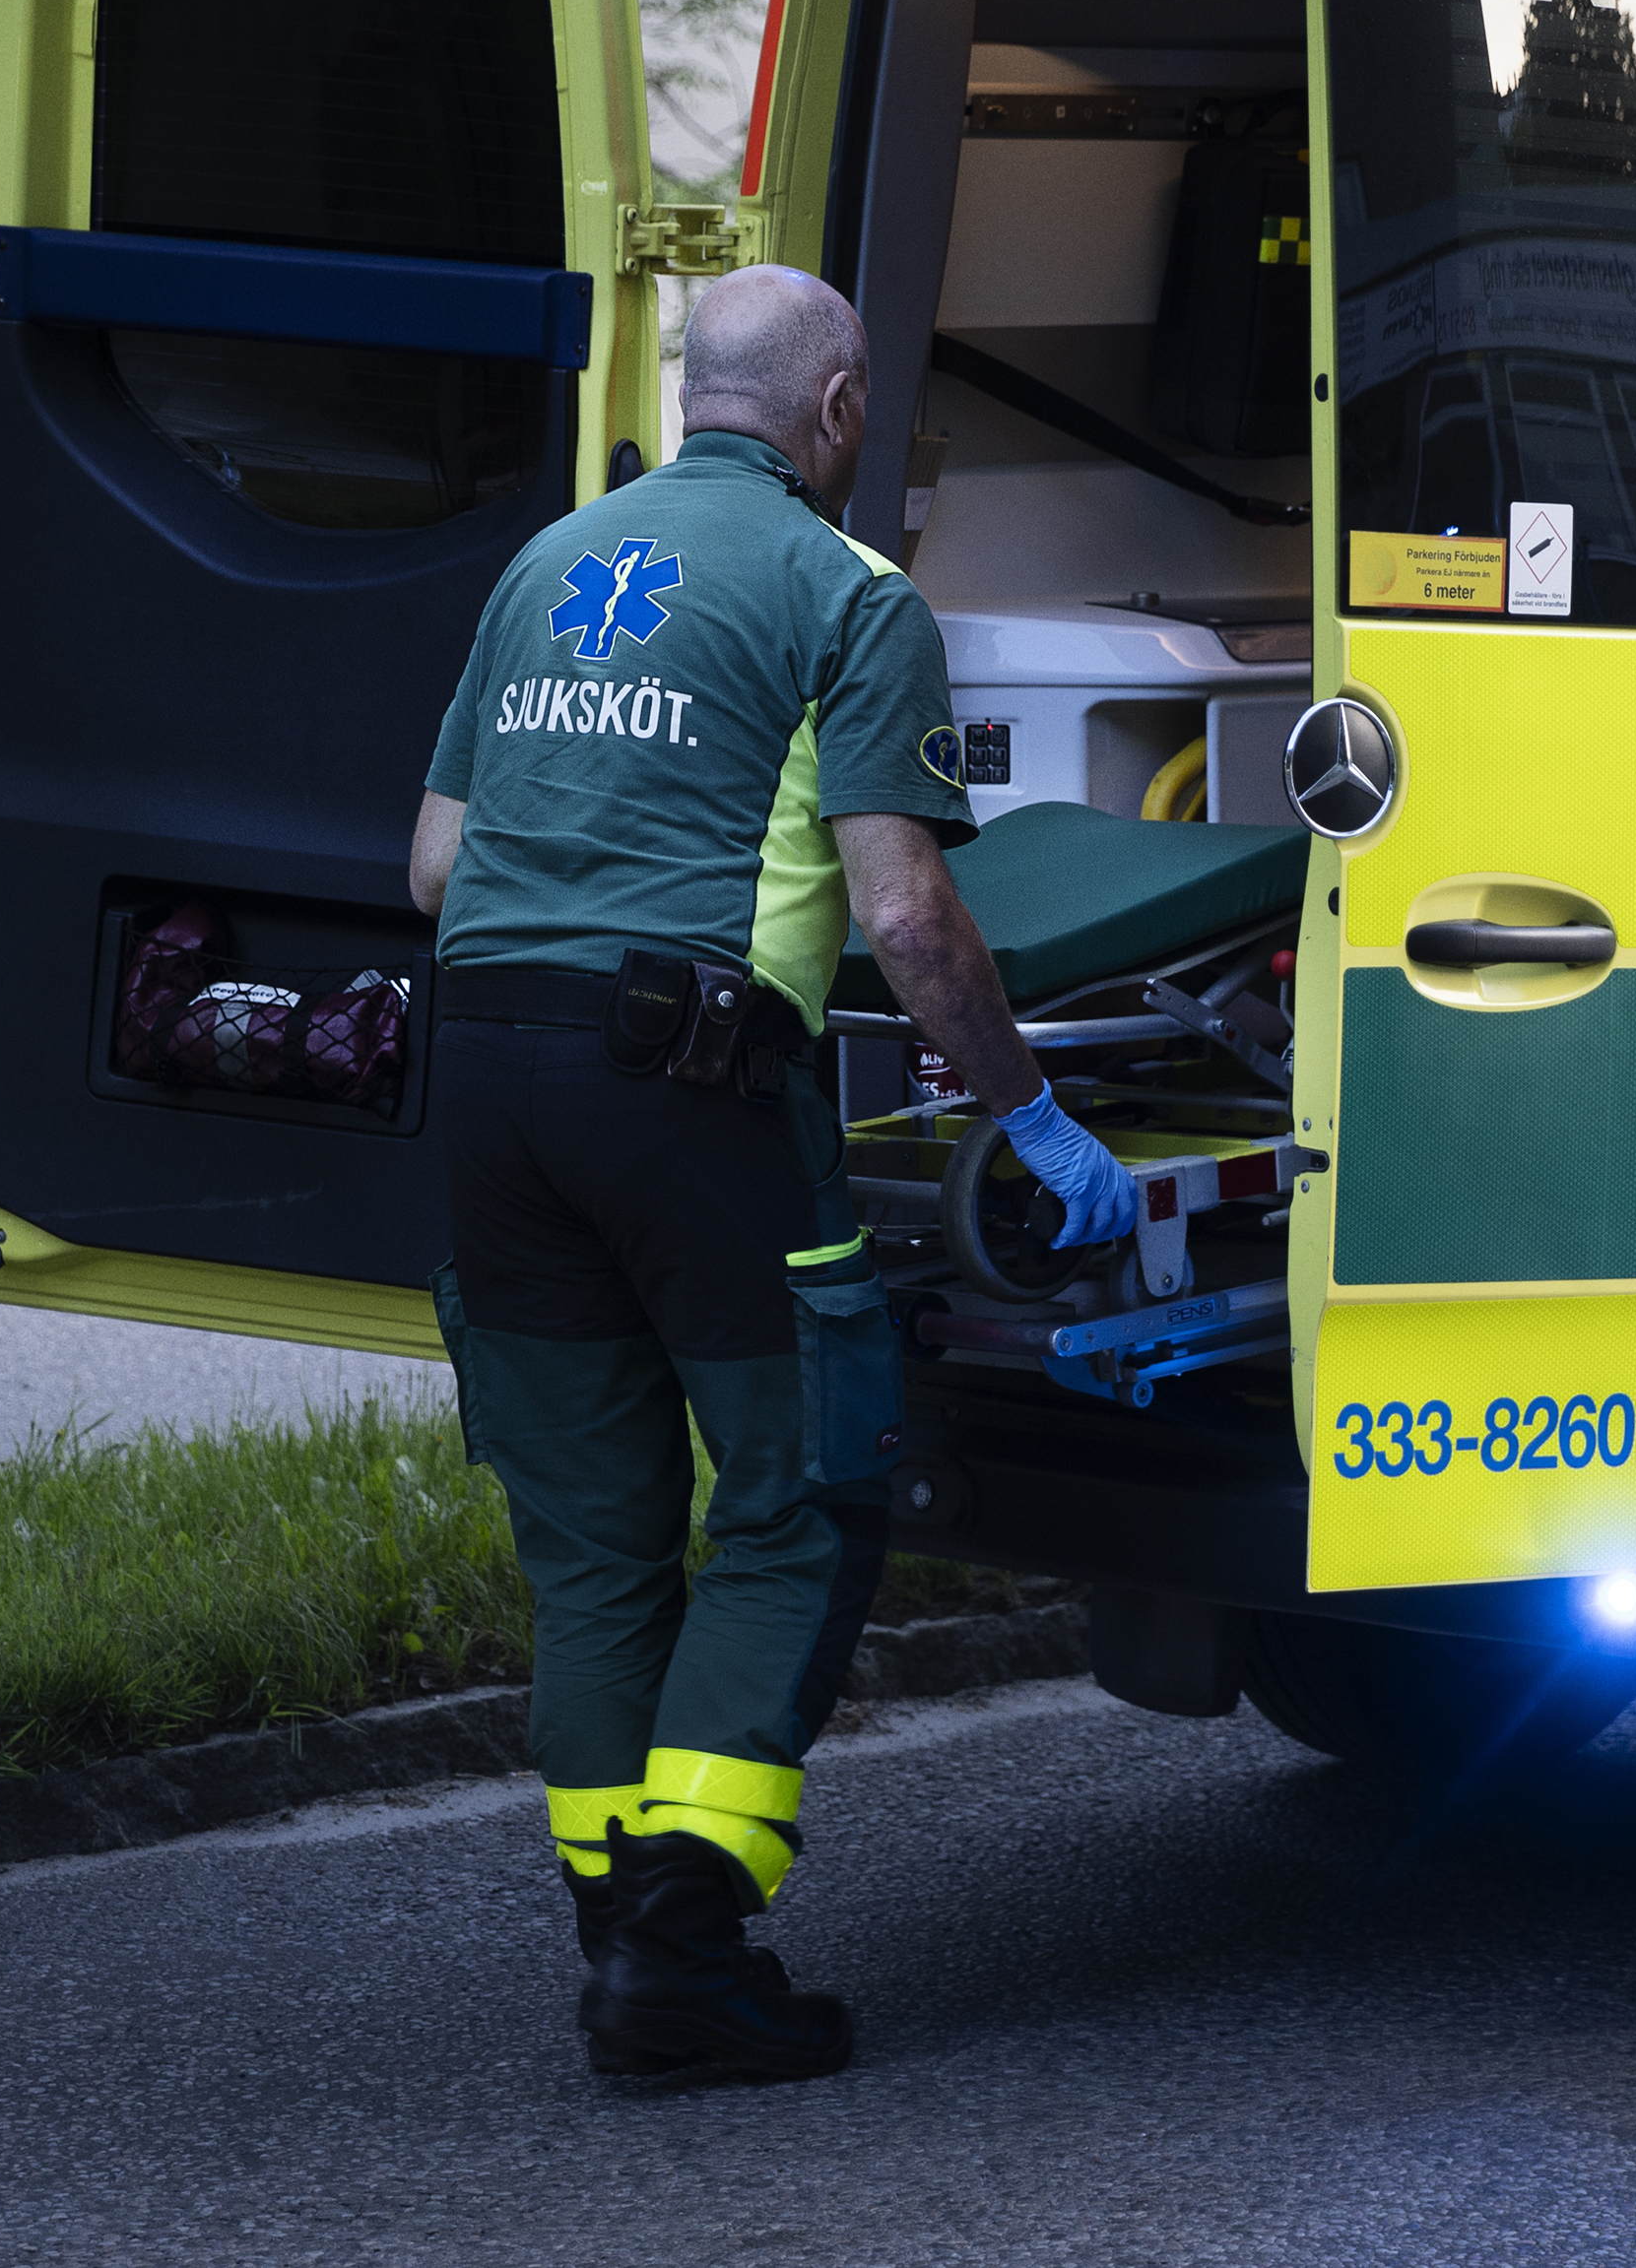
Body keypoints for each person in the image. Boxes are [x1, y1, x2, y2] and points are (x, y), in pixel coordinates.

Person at [411, 264, 1143, 2084]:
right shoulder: (846, 591)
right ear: (836, 408)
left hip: (482, 1081)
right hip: (686, 1092)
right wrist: (1027, 1111)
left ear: (690, 389)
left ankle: (625, 1942)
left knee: (593, 1542)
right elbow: (906, 915)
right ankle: (680, 1949)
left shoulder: (547, 566)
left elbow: (432, 867)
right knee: (800, 1489)